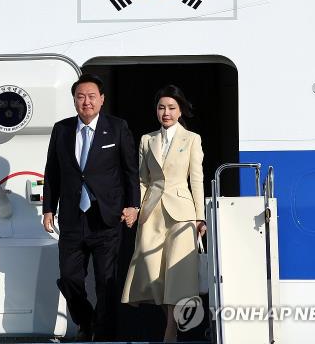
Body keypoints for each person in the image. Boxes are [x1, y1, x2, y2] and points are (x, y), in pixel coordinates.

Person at [42, 74, 140, 341]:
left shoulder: (117, 128)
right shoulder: (61, 130)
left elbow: (130, 171)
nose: (86, 102)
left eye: (91, 96)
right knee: (70, 278)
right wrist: (48, 207)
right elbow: (52, 171)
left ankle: (105, 334)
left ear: (102, 99)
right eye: (81, 97)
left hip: (106, 218)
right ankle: (87, 322)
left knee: (105, 282)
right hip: (73, 218)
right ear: (74, 100)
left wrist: (134, 205)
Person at [121, 85, 206, 342]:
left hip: (182, 212)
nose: (166, 113)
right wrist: (136, 208)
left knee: (177, 274)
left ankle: (170, 330)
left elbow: (197, 179)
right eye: (161, 107)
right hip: (152, 212)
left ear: (180, 111)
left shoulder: (192, 139)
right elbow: (142, 180)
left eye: (171, 108)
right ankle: (171, 320)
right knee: (151, 270)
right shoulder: (147, 140)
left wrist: (200, 216)